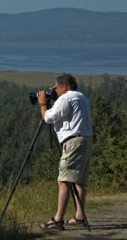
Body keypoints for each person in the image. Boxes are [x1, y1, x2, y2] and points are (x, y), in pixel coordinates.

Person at [37, 73, 93, 230]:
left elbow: (48, 117)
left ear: (64, 87)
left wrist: (43, 104)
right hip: (86, 140)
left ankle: (57, 219)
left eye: (55, 87)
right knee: (79, 181)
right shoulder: (82, 97)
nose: (54, 91)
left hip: (73, 142)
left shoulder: (66, 98)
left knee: (63, 181)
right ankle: (79, 217)